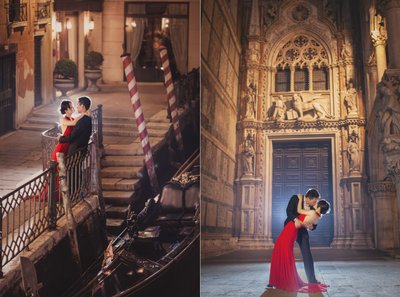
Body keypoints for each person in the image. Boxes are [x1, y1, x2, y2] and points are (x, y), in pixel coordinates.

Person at [268, 189, 330, 292]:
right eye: (314, 201)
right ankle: (276, 280)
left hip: (302, 231)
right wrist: (296, 220)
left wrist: (311, 227)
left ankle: (312, 280)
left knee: (307, 254)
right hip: (291, 227)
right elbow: (289, 212)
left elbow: (314, 224)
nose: (315, 203)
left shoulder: (312, 207)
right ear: (309, 198)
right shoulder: (295, 198)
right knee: (283, 252)